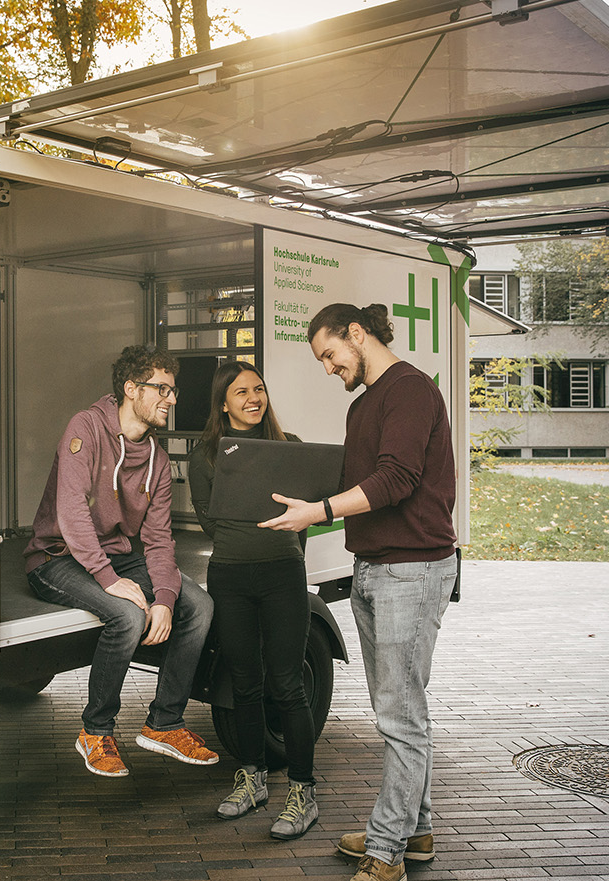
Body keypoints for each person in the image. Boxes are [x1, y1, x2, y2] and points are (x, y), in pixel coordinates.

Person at [260, 303, 457, 881]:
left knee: (400, 715)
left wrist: (318, 511)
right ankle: (414, 830)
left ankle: (387, 849)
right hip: (375, 568)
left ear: (357, 334)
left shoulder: (410, 391)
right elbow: (353, 482)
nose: (327, 366)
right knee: (398, 710)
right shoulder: (364, 404)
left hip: (413, 569)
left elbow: (396, 480)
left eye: (329, 353)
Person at [25, 344, 219, 777]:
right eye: (163, 389)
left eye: (174, 390)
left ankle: (164, 723)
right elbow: (71, 511)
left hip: (114, 555)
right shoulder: (87, 428)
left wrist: (166, 597)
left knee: (199, 605)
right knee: (128, 617)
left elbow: (158, 540)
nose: (172, 399)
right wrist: (108, 579)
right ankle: (96, 731)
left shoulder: (159, 461)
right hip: (56, 556)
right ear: (132, 389)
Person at [189, 361, 319, 840]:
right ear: (223, 402)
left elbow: (309, 517)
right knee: (243, 683)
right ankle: (253, 779)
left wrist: (284, 541)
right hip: (230, 578)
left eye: (259, 389)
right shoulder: (204, 456)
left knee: (287, 685)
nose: (252, 397)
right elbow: (209, 522)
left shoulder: (292, 449)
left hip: (283, 577)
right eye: (240, 391)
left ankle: (303, 793)